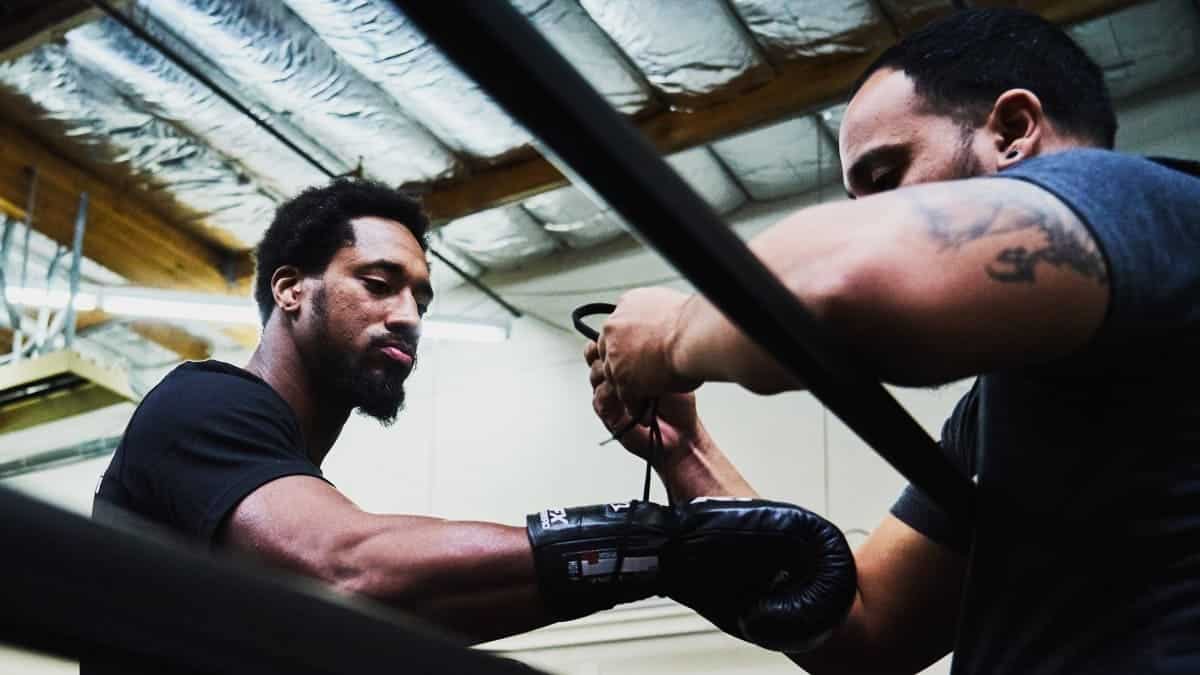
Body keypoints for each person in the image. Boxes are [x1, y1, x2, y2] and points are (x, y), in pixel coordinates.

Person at [586, 8, 1200, 675]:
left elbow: (839, 280)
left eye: (885, 179)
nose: (878, 217)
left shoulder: (1147, 203)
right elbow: (865, 630)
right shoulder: (1006, 403)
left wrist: (673, 332)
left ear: (1015, 131)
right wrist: (688, 453)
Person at [87, 179, 854, 674]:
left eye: (422, 298)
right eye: (380, 283)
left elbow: (415, 604)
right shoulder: (201, 405)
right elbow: (351, 567)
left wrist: (651, 557)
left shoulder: (279, 480)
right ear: (290, 289)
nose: (408, 316)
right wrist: (651, 546)